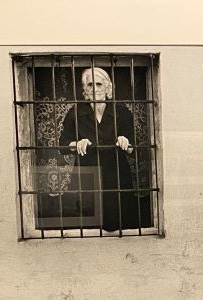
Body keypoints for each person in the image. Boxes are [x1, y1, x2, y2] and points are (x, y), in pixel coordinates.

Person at [57, 67, 149, 232]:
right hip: (87, 172)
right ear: (84, 90)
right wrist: (76, 144)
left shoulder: (121, 112)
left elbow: (135, 149)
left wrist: (126, 142)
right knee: (89, 223)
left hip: (116, 174)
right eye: (90, 85)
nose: (95, 89)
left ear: (108, 88)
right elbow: (62, 145)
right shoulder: (75, 112)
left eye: (99, 84)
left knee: (120, 221)